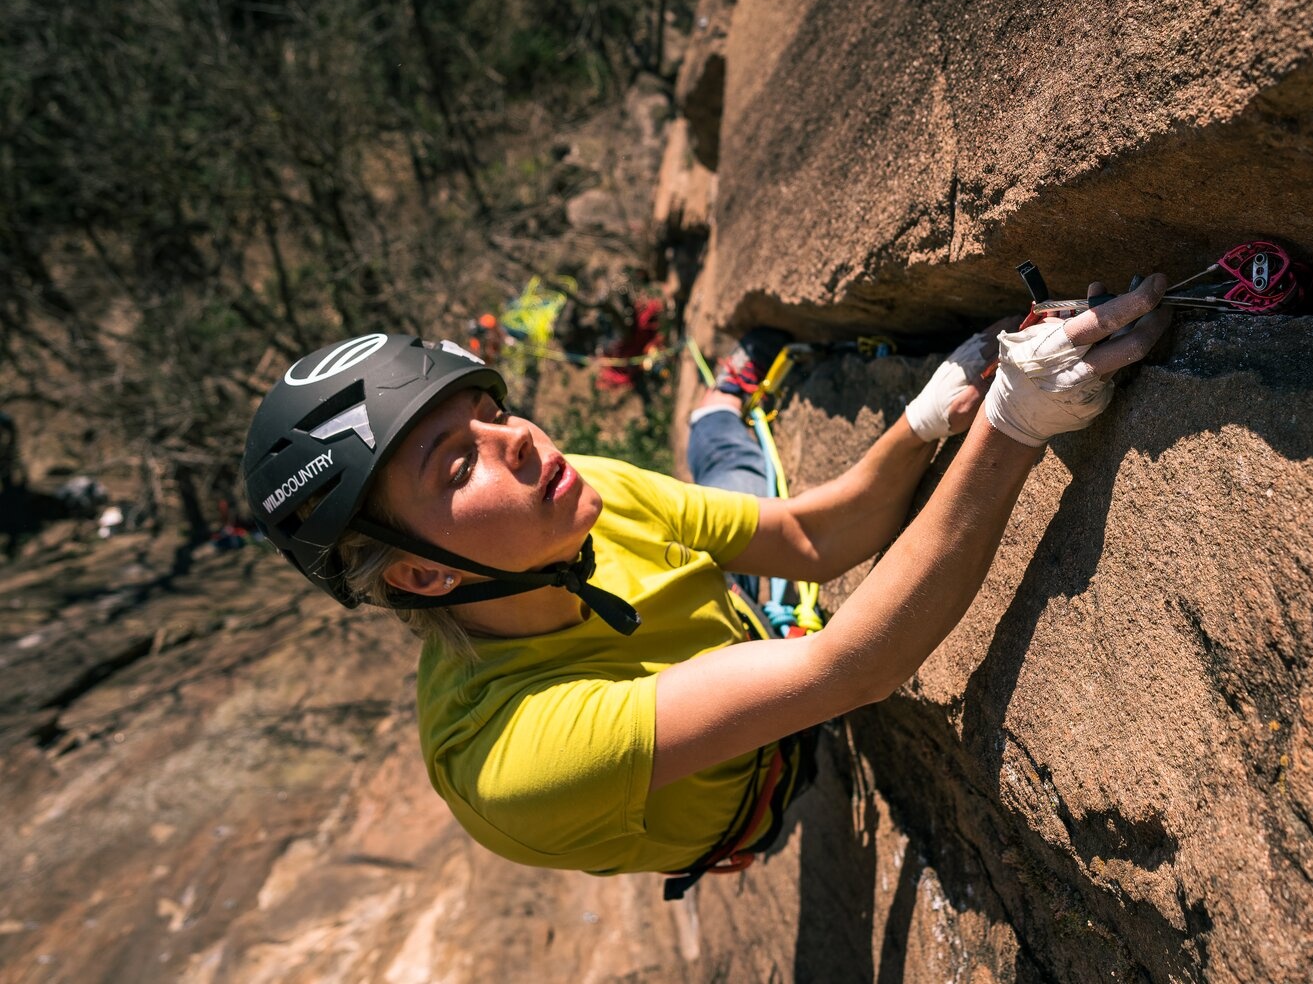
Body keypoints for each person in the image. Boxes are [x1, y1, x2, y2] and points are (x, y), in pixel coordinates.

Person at [240, 277, 1171, 892]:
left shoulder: (574, 495)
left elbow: (811, 535)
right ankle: (721, 408)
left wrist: (927, 421)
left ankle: (723, 403)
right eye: (456, 464)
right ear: (420, 573)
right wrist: (1014, 421)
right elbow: (856, 666)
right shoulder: (509, 760)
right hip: (760, 780)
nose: (519, 439)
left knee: (720, 456)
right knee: (725, 473)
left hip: (749, 640)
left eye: (490, 411)